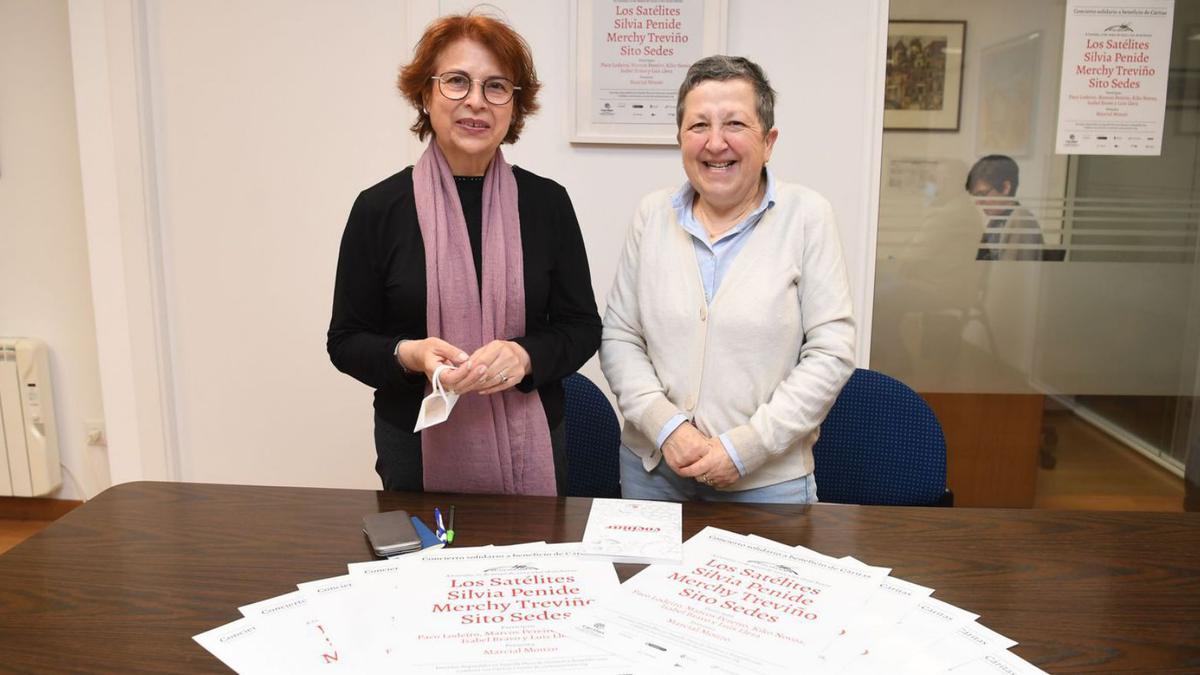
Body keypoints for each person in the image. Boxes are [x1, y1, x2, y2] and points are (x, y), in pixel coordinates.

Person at [327, 14, 601, 496]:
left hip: (534, 440)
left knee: (531, 570)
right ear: (425, 95)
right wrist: (410, 354)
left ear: (514, 106)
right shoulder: (378, 208)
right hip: (414, 451)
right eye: (457, 81)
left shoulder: (547, 204)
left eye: (496, 86)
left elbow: (582, 328)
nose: (475, 100)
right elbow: (346, 340)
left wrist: (525, 355)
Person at [600, 55, 856, 504]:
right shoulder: (651, 215)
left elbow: (830, 353)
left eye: (735, 124)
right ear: (680, 138)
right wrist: (668, 428)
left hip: (766, 481)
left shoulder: (807, 216)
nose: (715, 143)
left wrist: (744, 448)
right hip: (653, 473)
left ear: (769, 140)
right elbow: (620, 338)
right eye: (699, 126)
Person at [966, 154, 1060, 261]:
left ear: (1006, 188)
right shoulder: (997, 221)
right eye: (976, 196)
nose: (978, 202)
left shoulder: (1021, 220)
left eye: (982, 194)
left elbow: (1012, 274)